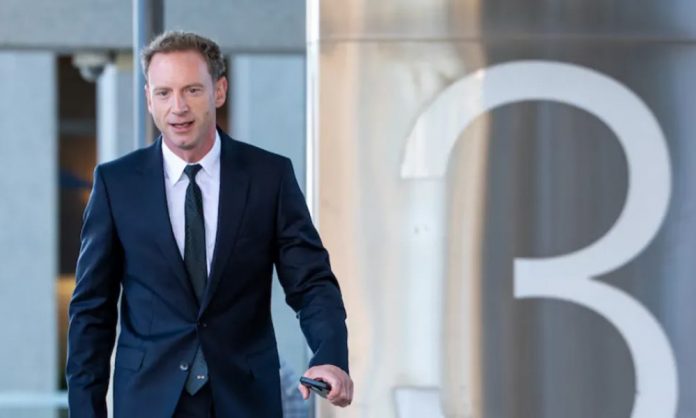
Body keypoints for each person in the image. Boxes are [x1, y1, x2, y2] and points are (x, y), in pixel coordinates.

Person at [66, 30, 353, 418]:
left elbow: (311, 282)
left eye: (192, 90)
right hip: (148, 401)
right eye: (164, 93)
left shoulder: (268, 177)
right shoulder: (115, 184)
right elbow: (92, 312)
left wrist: (330, 355)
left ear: (219, 91)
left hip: (245, 399)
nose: (178, 107)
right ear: (149, 99)